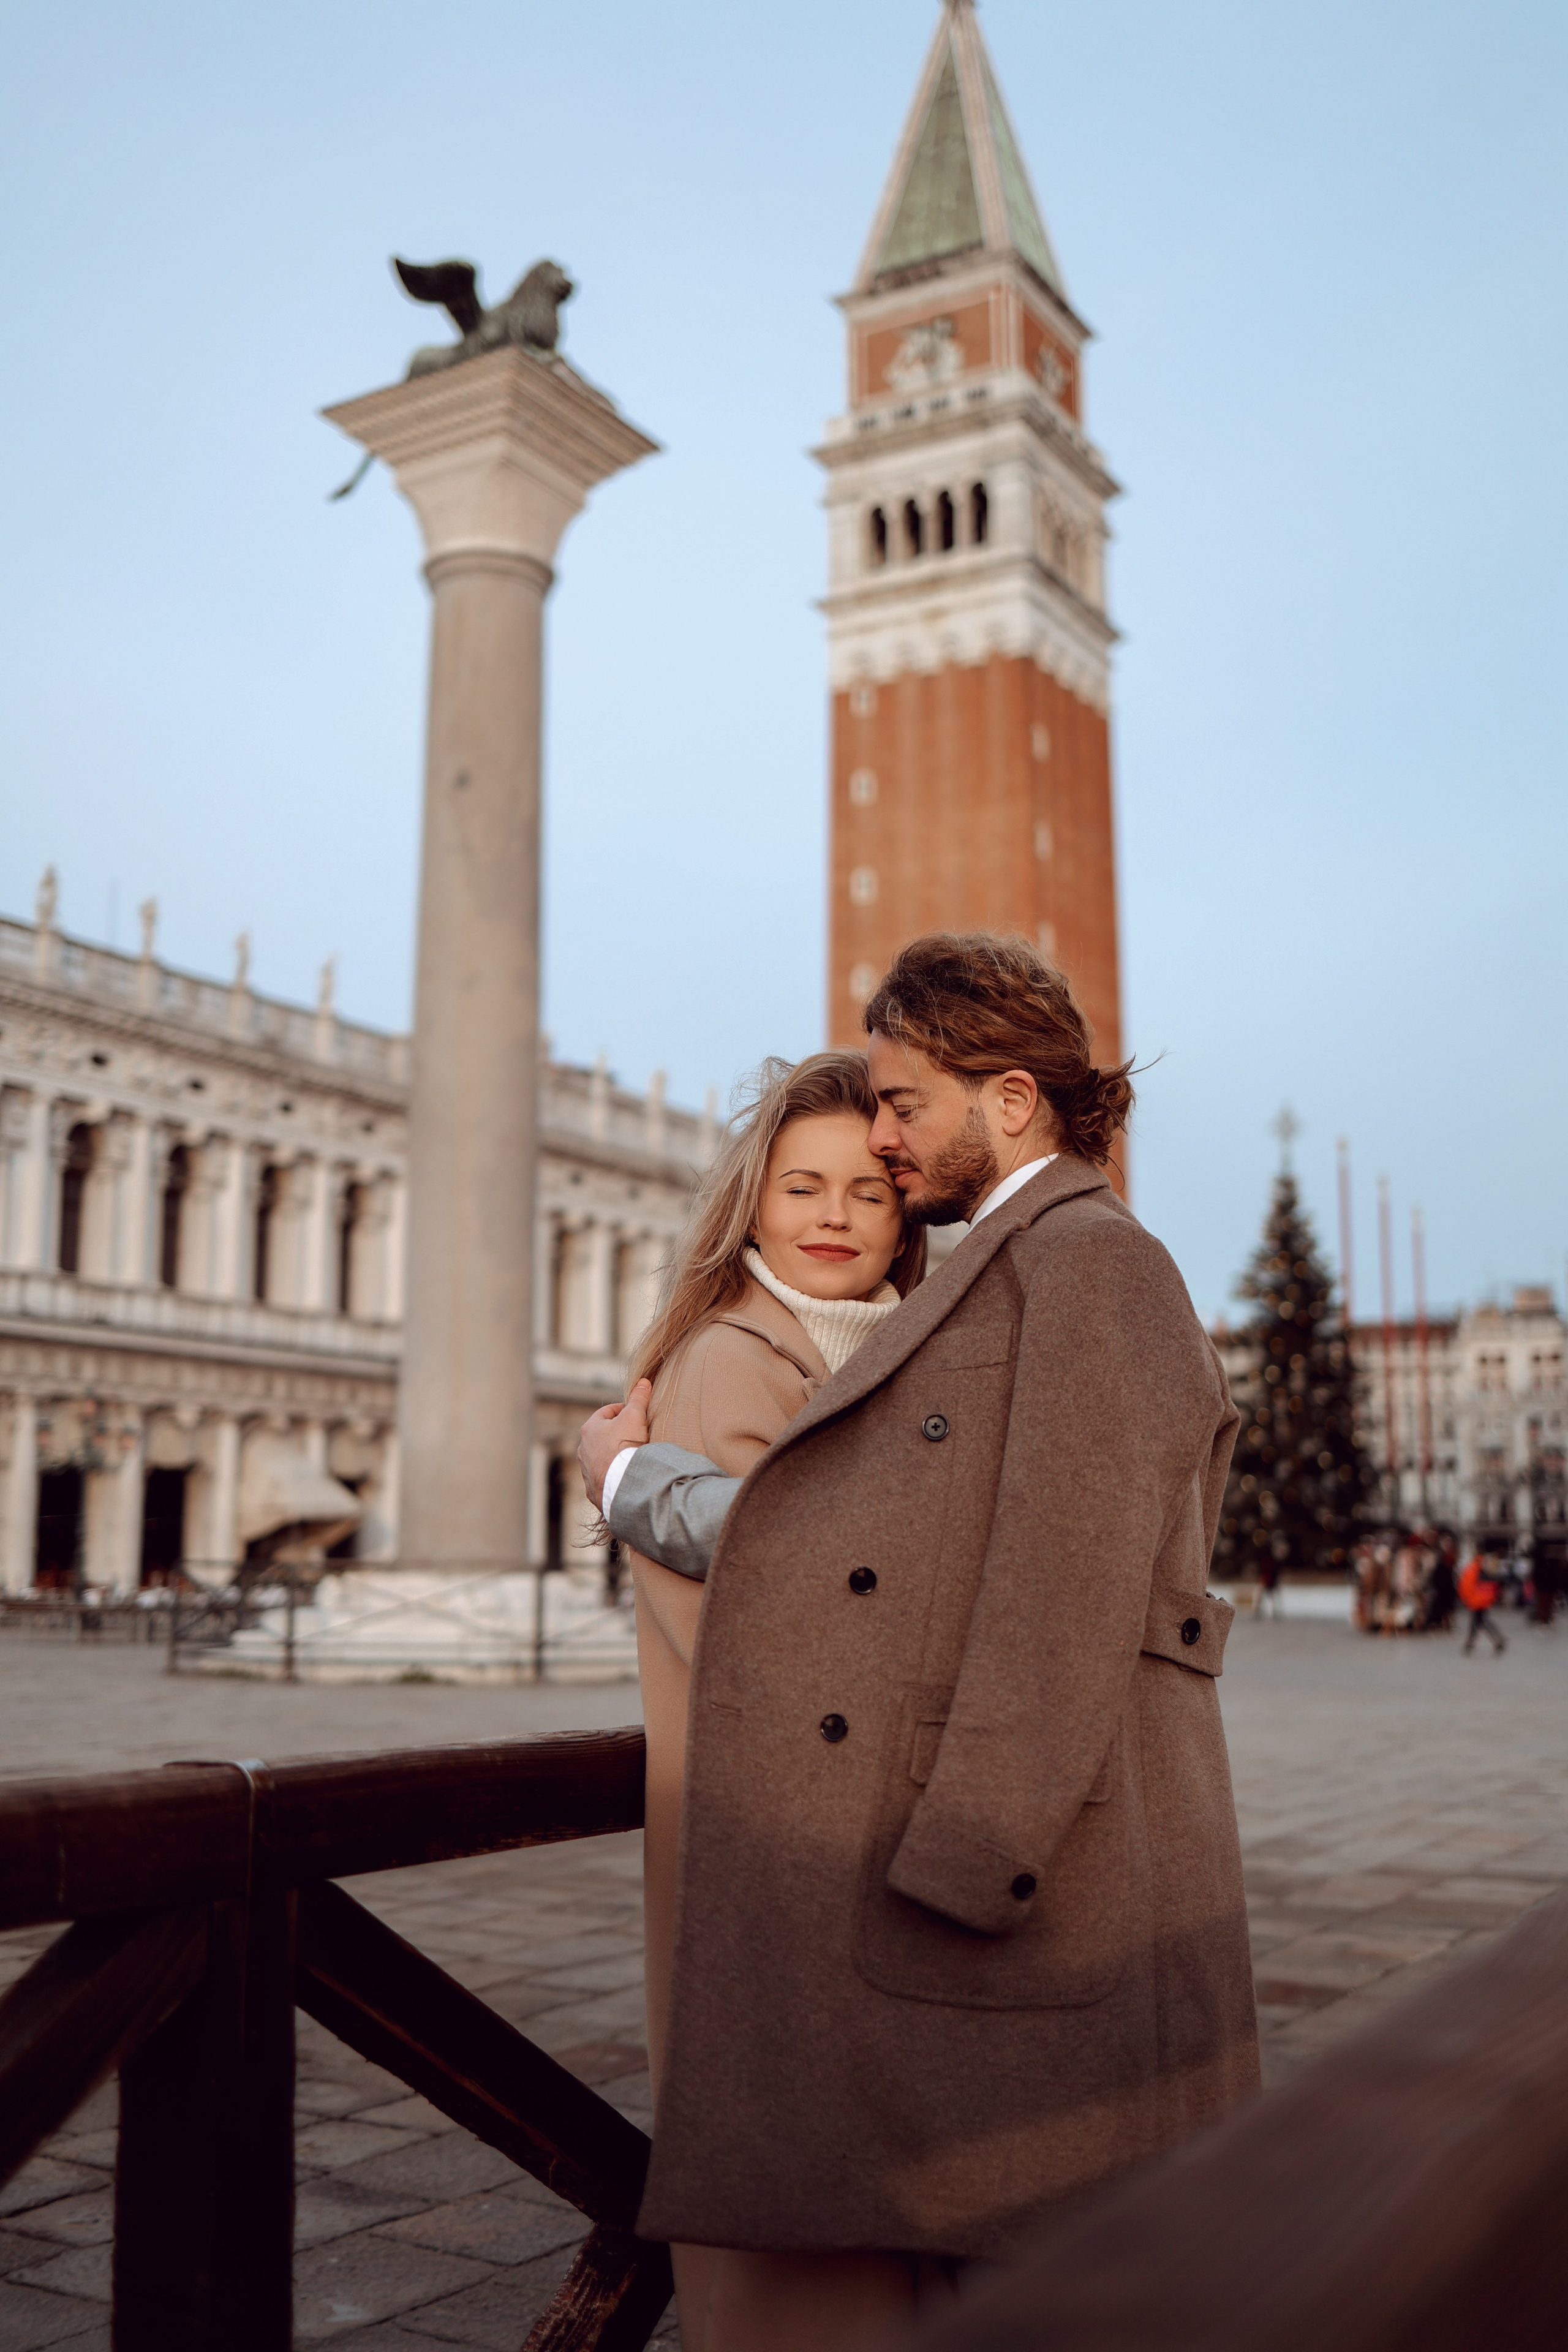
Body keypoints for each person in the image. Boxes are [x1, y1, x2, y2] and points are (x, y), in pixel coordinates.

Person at [580, 933, 1259, 2349]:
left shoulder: (1078, 1265)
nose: (882, 1145)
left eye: (897, 1112)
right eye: (819, 1166)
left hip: (992, 1870)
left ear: (1005, 1099)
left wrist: (632, 1486)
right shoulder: (1019, 1269)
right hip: (912, 1861)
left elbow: (1045, 1586)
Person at [619, 1049, 925, 2347]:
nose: (834, 1213)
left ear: (907, 1211)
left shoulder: (887, 1349)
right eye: (802, 1184)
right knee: (794, 2217)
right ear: (750, 1204)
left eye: (868, 1188)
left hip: (841, 1836)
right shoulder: (736, 1362)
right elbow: (778, 1611)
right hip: (776, 1839)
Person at [1458, 1547, 1506, 1654]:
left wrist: (1466, 1598)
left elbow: (1466, 1586)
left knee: (1479, 1622)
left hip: (1477, 1600)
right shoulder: (1481, 1569)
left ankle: (1472, 1643)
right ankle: (1495, 1640)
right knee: (1479, 1622)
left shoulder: (1473, 1569)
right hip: (1482, 1599)